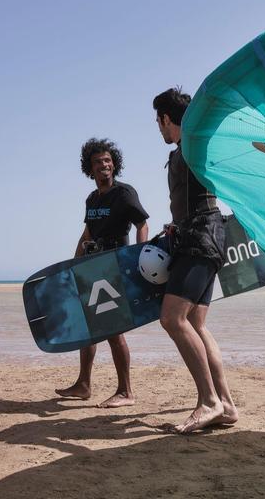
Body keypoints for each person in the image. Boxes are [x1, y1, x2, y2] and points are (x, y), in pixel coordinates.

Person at [153, 87, 238, 433]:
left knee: (172, 319)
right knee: (197, 325)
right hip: (202, 234)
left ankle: (208, 401)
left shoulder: (192, 143)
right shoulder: (183, 149)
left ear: (165, 119)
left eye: (158, 122)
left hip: (201, 238)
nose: (158, 129)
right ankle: (227, 404)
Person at [55, 138, 149, 408]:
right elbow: (87, 234)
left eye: (108, 160)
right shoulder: (92, 198)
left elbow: (142, 223)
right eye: (98, 162)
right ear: (90, 168)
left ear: (114, 164)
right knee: (90, 326)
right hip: (93, 266)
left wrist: (138, 256)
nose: (104, 165)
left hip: (115, 267)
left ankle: (126, 391)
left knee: (113, 329)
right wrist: (72, 267)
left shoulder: (124, 193)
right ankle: (84, 384)